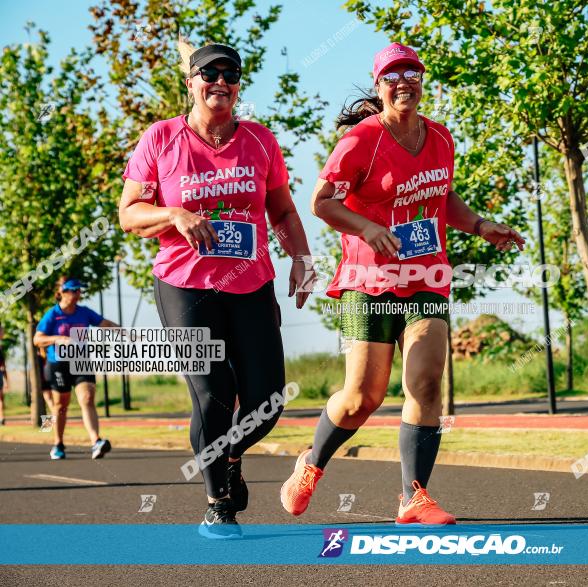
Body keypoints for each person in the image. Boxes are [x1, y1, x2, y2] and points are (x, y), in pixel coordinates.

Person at [281, 43, 524, 525]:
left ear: (422, 79)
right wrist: (367, 228)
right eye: (392, 76)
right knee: (360, 399)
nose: (402, 82)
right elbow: (321, 201)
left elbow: (442, 195)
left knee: (426, 383)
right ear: (379, 86)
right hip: (368, 283)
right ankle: (311, 463)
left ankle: (414, 496)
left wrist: (479, 225)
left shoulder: (441, 138)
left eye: (410, 72)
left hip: (427, 277)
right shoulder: (360, 141)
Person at [118, 40, 313, 539]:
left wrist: (302, 259)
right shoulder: (160, 138)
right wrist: (173, 214)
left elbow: (284, 211)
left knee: (268, 398)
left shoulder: (261, 140)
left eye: (230, 74)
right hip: (185, 286)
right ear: (191, 82)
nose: (220, 82)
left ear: (238, 86)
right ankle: (217, 505)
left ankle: (229, 454)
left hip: (251, 283)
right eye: (209, 74)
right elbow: (129, 214)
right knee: (212, 395)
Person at [34, 278, 118, 460]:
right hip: (58, 363)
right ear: (62, 292)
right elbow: (37, 339)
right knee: (60, 405)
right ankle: (58, 443)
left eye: (79, 290)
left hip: (81, 360)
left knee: (87, 398)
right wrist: (58, 338)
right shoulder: (53, 314)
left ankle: (96, 441)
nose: (77, 294)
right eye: (73, 290)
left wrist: (127, 333)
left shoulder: (84, 312)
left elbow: (105, 324)